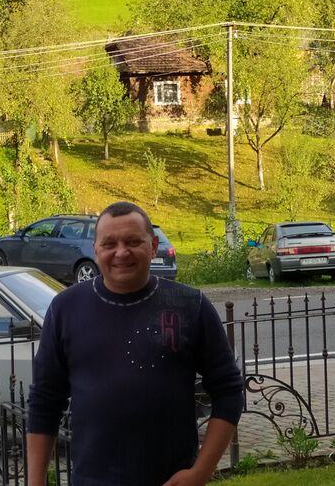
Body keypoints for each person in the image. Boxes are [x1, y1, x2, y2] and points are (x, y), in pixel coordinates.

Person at [26, 201, 244, 485]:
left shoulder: (190, 305)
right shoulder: (65, 309)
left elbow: (229, 391)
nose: (121, 252)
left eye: (133, 241)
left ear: (153, 246)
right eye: (109, 244)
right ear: (95, 250)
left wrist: (200, 472)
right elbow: (44, 401)